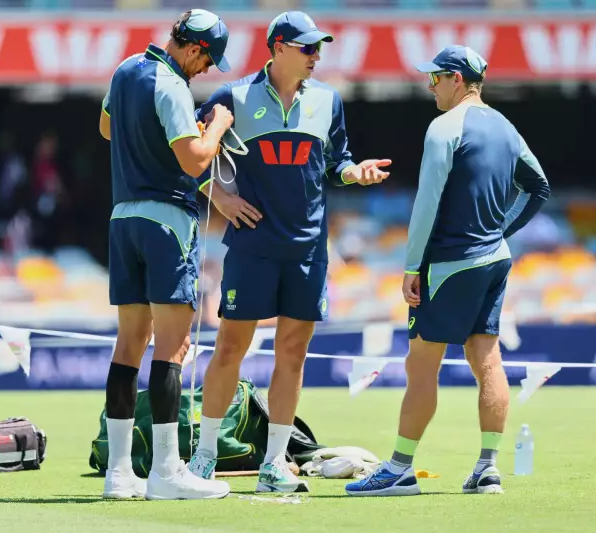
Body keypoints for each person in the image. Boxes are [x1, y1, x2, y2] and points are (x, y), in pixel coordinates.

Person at [185, 11, 392, 493]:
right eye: (307, 48)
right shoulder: (231, 96)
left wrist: (354, 172)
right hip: (252, 247)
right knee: (229, 350)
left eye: (319, 48)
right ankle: (205, 456)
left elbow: (336, 164)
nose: (317, 56)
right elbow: (186, 153)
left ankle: (274, 464)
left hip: (309, 249)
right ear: (277, 47)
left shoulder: (328, 100)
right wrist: (219, 197)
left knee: (293, 354)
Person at [345, 45, 550, 497]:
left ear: (457, 78)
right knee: (487, 359)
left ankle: (399, 469)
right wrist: (500, 232)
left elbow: (426, 204)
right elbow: (539, 187)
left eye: (435, 77)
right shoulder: (506, 127)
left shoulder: (444, 127)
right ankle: (487, 468)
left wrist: (411, 267)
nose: (430, 85)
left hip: (451, 264)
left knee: (421, 366)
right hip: (494, 260)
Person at [98, 9, 258, 501]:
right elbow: (194, 159)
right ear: (192, 48)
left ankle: (119, 473)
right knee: (173, 348)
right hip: (166, 222)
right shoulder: (171, 85)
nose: (208, 69)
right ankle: (167, 472)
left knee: (128, 346)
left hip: (122, 217)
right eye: (208, 59)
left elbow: (107, 128)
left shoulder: (125, 69)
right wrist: (215, 125)